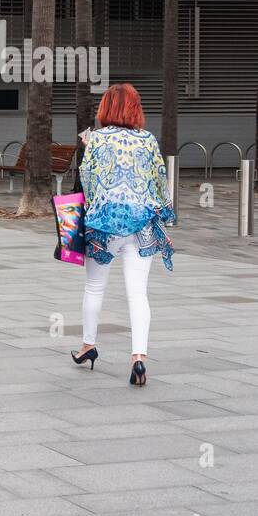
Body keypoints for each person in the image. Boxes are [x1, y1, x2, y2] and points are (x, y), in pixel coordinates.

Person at [70, 83, 174, 387]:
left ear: (105, 109)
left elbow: (86, 180)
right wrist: (165, 212)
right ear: (135, 108)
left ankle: (88, 346)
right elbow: (160, 181)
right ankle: (138, 357)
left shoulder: (96, 140)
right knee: (138, 293)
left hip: (104, 226)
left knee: (94, 287)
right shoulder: (148, 140)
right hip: (141, 226)